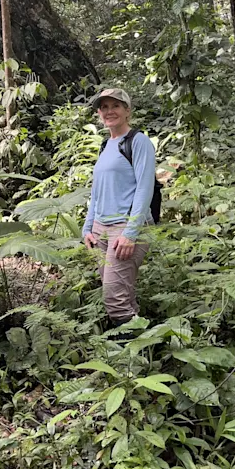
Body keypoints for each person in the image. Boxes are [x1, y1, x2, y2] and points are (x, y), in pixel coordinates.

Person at [83, 86, 156, 326]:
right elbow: (97, 191)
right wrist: (87, 228)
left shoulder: (138, 141)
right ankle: (144, 349)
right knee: (122, 296)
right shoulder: (107, 145)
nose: (109, 111)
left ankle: (128, 356)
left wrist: (131, 233)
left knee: (114, 300)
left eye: (115, 106)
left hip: (125, 229)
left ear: (127, 110)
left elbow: (145, 188)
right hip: (101, 229)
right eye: (104, 107)